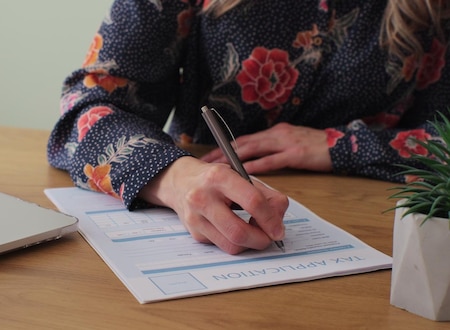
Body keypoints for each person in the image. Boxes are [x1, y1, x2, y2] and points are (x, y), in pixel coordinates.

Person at [47, 0, 450, 254]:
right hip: (199, 230)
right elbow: (85, 108)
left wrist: (342, 146)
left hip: (384, 244)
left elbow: (444, 143)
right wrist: (174, 177)